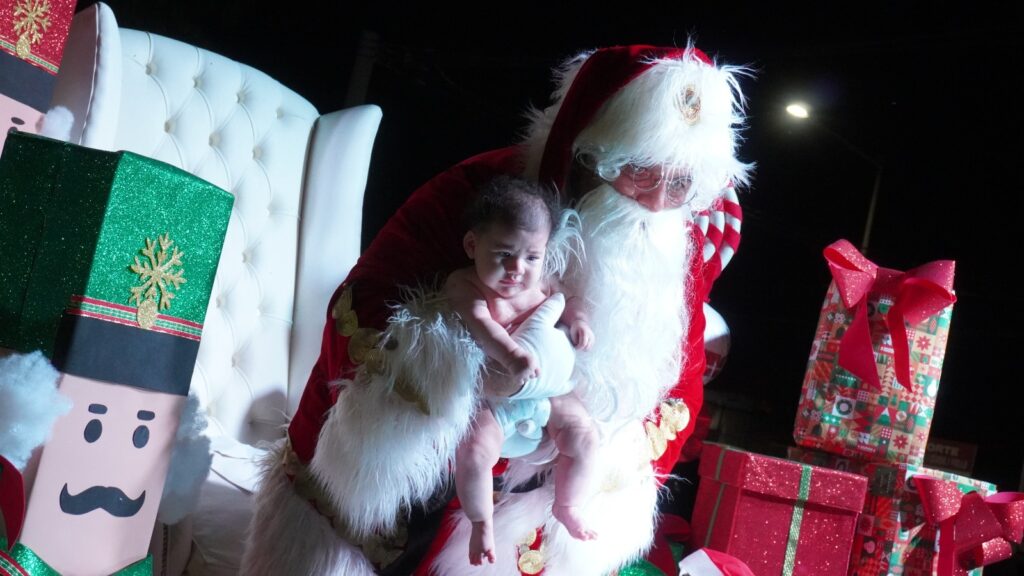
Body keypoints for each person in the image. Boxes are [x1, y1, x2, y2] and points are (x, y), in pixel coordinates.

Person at [242, 43, 752, 576]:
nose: (657, 200)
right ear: (590, 155)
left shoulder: (673, 250)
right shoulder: (490, 199)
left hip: (538, 506)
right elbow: (367, 303)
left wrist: (601, 443)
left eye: (681, 184)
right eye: (641, 173)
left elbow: (681, 381)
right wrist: (464, 377)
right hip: (395, 504)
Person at [446, 175, 597, 566]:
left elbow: (569, 299)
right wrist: (511, 354)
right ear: (471, 245)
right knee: (475, 452)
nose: (517, 269)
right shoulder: (465, 285)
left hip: (547, 393)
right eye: (503, 254)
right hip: (493, 398)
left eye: (532, 257)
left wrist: (579, 321)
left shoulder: (542, 282)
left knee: (585, 435)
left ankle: (569, 503)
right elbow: (481, 323)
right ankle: (481, 522)